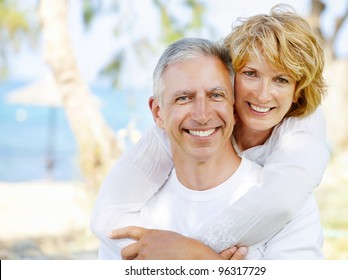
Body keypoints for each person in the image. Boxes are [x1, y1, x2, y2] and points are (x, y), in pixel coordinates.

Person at [90, 4, 328, 259]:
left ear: (298, 91)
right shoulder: (172, 131)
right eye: (250, 73)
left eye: (281, 79)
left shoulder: (302, 137)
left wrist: (195, 257)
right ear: (230, 79)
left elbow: (278, 203)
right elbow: (107, 216)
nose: (262, 94)